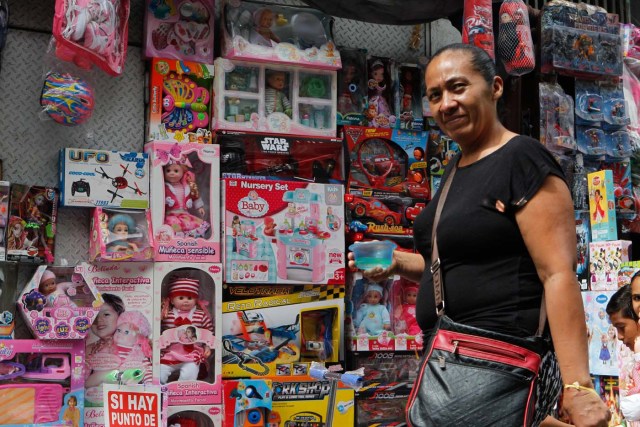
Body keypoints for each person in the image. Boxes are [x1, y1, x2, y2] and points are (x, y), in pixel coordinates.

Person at [349, 43, 609, 426]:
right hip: (447, 364)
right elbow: (461, 265)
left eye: (458, 87)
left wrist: (578, 385)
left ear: (496, 87)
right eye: (435, 95)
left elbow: (557, 273)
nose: (446, 104)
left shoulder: (522, 158)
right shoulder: (455, 170)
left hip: (499, 362)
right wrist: (398, 262)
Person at [160, 276, 214, 384]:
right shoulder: (167, 315)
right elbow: (159, 330)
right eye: (181, 298)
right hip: (170, 354)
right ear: (171, 300)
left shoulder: (200, 315)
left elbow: (209, 331)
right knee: (160, 371)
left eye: (190, 298)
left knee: (190, 374)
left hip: (192, 355)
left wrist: (207, 346)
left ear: (196, 299)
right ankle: (161, 390)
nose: (185, 301)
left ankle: (182, 391)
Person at [163, 158, 210, 238]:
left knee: (194, 222)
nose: (171, 173)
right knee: (174, 223)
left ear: (183, 172)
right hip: (170, 214)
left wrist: (199, 207)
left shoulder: (186, 186)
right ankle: (177, 239)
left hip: (184, 213)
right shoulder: (164, 186)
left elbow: (194, 196)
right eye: (168, 171)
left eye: (176, 171)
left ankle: (188, 239)